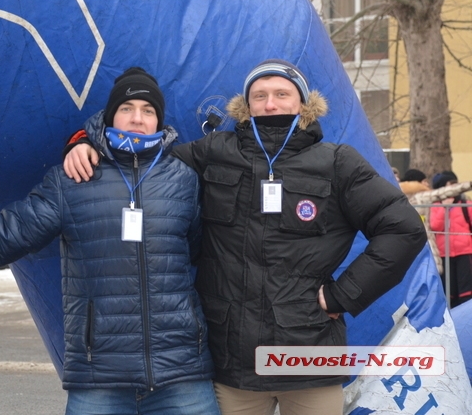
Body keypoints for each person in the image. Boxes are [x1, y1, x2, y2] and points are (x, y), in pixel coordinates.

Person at [63, 59, 427, 415]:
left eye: (282, 94)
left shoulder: (337, 163)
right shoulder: (213, 152)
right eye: (260, 95)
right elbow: (142, 160)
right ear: (246, 105)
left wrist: (341, 295)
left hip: (308, 359)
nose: (271, 103)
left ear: (303, 103)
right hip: (232, 364)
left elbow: (403, 229)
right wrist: (85, 142)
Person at [0, 67, 221, 415]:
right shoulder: (74, 178)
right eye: (127, 108)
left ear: (158, 120)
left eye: (148, 111)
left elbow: (198, 251)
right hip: (99, 377)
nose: (137, 118)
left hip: (181, 373)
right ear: (111, 116)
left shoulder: (183, 180)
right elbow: (6, 233)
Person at [430, 171, 472, 307]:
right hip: (444, 254)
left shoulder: (466, 204)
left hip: (465, 252)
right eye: (450, 186)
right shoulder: (435, 206)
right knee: (449, 291)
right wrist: (444, 207)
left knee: (466, 291)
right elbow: (436, 226)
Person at [400, 168, 442, 274]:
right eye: (424, 181)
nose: (427, 184)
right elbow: (443, 192)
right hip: (424, 241)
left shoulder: (398, 196)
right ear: (417, 183)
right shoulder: (422, 196)